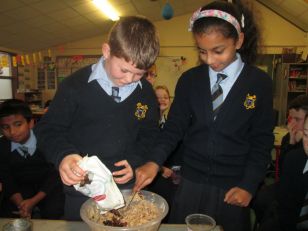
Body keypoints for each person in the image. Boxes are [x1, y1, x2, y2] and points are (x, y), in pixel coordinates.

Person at [133, 1, 274, 231]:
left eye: (218, 51)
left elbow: (261, 140)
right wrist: (153, 161)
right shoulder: (190, 80)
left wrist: (249, 185)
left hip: (234, 186)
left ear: (238, 40)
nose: (210, 60)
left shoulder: (259, 83)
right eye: (202, 51)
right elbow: (173, 128)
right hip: (191, 184)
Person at [34, 16, 160, 220]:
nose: (129, 79)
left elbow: (150, 134)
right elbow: (48, 129)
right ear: (107, 51)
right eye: (124, 70)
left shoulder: (145, 92)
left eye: (139, 74)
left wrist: (136, 161)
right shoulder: (75, 86)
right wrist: (64, 156)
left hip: (125, 189)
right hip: (83, 189)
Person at [0, 99, 64, 219]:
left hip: (48, 189)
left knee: (54, 214)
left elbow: (54, 175)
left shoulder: (47, 141)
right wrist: (21, 205)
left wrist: (33, 201)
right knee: (7, 216)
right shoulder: (2, 147)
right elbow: (7, 178)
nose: (12, 132)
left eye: (18, 124)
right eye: (5, 127)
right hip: (19, 190)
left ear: (31, 123)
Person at [252, 94, 308, 226]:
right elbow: (283, 170)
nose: (292, 124)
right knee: (260, 198)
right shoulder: (288, 139)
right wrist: (292, 142)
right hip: (287, 185)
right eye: (290, 118)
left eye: (297, 119)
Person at [148, 85, 182, 223]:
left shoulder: (168, 122)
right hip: (154, 175)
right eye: (158, 97)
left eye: (165, 97)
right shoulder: (149, 122)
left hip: (170, 172)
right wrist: (161, 168)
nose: (162, 100)